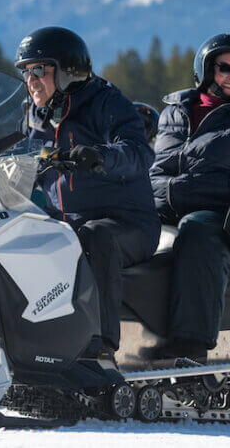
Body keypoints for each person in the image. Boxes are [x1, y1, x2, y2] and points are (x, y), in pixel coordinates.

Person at [17, 26, 160, 368]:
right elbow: (12, 154)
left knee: (95, 237)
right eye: (26, 72)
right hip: (67, 225)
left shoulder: (105, 102)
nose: (31, 81)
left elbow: (138, 152)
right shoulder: (36, 117)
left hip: (127, 224)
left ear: (67, 71)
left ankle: (99, 350)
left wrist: (100, 156)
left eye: (39, 70)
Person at [150, 33, 230, 361]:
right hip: (159, 209)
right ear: (206, 70)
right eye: (225, 68)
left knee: (196, 230)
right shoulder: (172, 115)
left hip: (218, 216)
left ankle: (191, 344)